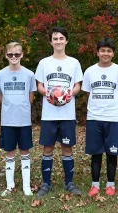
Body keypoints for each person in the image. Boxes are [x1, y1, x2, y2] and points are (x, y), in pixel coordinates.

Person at [35, 27, 83, 197]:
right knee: (47, 148)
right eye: (55, 39)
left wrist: (70, 94)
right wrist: (47, 93)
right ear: (51, 42)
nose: (58, 41)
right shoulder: (44, 63)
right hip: (49, 114)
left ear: (66, 41)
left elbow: (78, 85)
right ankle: (46, 184)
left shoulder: (74, 62)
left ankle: (69, 183)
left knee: (67, 148)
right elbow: (39, 85)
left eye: (61, 38)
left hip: (67, 114)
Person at [82, 38, 118, 196]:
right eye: (102, 50)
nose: (105, 53)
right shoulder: (89, 71)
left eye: (109, 51)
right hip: (94, 117)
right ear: (97, 52)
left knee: (111, 153)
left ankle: (110, 184)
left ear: (113, 53)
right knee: (96, 153)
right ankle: (95, 185)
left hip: (113, 117)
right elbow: (89, 93)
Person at [0, 42, 37, 196]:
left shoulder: (30, 74)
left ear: (22, 55)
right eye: (11, 54)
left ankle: (26, 186)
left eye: (17, 54)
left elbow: (30, 97)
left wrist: (23, 108)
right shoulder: (0, 74)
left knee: (25, 151)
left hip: (24, 120)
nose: (14, 57)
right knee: (9, 152)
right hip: (8, 120)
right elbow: (0, 97)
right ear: (6, 55)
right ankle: (10, 185)